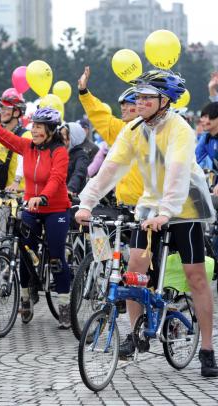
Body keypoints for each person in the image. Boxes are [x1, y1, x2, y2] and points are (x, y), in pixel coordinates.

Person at [75, 70, 218, 377]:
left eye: (145, 97)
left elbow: (179, 174)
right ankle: (136, 331)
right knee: (134, 269)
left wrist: (167, 212)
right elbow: (109, 170)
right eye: (137, 96)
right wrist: (86, 203)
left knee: (195, 277)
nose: (138, 102)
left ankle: (207, 348)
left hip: (185, 207)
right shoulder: (134, 130)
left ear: (164, 100)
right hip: (150, 206)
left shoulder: (180, 129)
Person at [0, 103, 72, 328]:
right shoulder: (28, 147)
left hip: (56, 209)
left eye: (40, 128)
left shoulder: (59, 151)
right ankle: (25, 297)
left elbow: (57, 178)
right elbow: (4, 137)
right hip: (31, 208)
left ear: (51, 130)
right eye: (34, 127)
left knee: (56, 257)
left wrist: (43, 197)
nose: (35, 131)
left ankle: (64, 304)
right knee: (24, 250)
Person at [78, 66, 142, 206]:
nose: (123, 108)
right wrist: (84, 92)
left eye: (127, 104)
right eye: (122, 105)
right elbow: (99, 114)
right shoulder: (120, 129)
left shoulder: (155, 131)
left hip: (149, 207)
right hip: (123, 206)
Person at [60, 122, 91, 196]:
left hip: (73, 198)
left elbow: (79, 173)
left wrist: (70, 189)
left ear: (72, 137)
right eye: (60, 134)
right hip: (57, 196)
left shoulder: (81, 155)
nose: (60, 137)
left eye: (64, 134)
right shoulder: (59, 153)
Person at [195, 102, 218, 178]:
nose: (201, 120)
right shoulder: (206, 138)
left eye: (206, 116)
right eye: (202, 117)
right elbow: (194, 160)